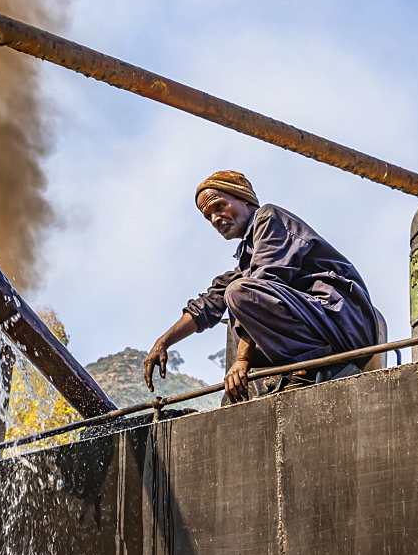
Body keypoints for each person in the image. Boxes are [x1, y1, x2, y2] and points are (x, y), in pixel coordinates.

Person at [143, 170, 378, 403]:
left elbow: (261, 286)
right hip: (326, 326)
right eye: (208, 216)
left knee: (239, 293)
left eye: (219, 206)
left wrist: (242, 361)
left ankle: (314, 370)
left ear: (245, 199)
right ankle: (282, 378)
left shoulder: (269, 218)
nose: (215, 218)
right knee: (235, 291)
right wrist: (163, 342)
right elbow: (208, 304)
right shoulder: (247, 259)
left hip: (342, 323)